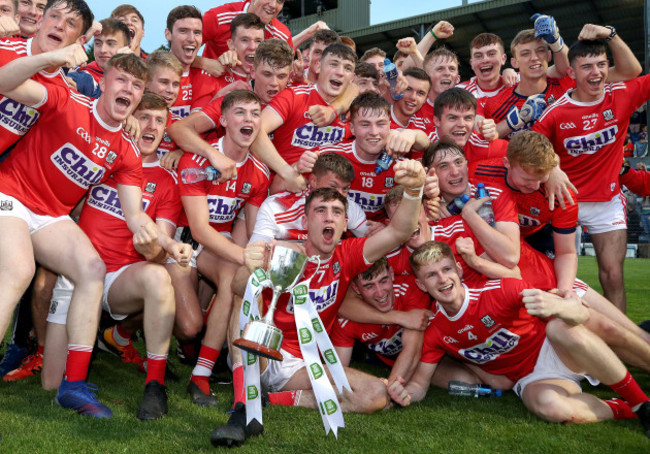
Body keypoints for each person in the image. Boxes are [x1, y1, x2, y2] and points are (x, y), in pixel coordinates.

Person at [211, 159, 426, 447]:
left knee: (375, 395)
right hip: (258, 353)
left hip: (301, 367)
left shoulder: (349, 254)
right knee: (245, 299)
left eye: (337, 212)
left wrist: (414, 190)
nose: (329, 217)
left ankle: (270, 399)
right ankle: (241, 409)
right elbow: (237, 289)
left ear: (345, 223)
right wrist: (250, 267)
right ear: (306, 219)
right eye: (320, 211)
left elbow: (399, 232)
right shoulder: (286, 253)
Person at [0, 41, 156, 417]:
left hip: (50, 215)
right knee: (18, 271)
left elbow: (135, 215)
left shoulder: (128, 150)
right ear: (103, 82)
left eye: (137, 86)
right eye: (121, 80)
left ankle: (72, 385)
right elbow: (5, 82)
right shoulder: (68, 101)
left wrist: (154, 235)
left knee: (91, 269)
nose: (128, 90)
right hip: (10, 193)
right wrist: (51, 59)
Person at [388, 241, 650, 438]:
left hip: (557, 347)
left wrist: (562, 307)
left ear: (459, 269)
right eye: (431, 275)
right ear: (421, 285)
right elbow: (420, 384)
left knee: (566, 327)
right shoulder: (436, 331)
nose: (442, 279)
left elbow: (578, 312)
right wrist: (404, 393)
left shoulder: (501, 290)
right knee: (550, 407)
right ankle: (623, 408)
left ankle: (642, 404)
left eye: (446, 269)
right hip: (532, 377)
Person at [43, 92, 191, 420]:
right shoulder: (107, 154)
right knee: (51, 384)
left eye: (160, 120)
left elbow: (157, 248)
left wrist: (150, 245)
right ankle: (77, 351)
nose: (151, 126)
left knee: (157, 276)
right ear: (131, 119)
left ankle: (155, 386)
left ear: (166, 129)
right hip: (78, 270)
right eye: (145, 117)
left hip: (118, 278)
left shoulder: (167, 182)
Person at [533, 36, 647, 313]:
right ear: (571, 73)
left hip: (606, 201)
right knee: (558, 278)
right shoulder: (556, 112)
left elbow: (635, 71)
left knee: (613, 275)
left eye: (601, 64)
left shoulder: (621, 94)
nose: (595, 72)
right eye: (586, 66)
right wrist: (553, 167)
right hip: (563, 199)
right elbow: (530, 147)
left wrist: (611, 35)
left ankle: (621, 340)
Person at [176, 90, 271, 406]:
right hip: (183, 239)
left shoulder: (258, 171)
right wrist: (244, 256)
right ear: (223, 120)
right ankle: (170, 348)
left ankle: (202, 375)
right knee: (189, 326)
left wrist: (256, 257)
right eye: (240, 112)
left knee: (236, 279)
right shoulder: (196, 159)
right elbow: (200, 230)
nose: (249, 119)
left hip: (220, 245)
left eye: (255, 113)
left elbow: (255, 227)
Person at [0, 0, 95, 151]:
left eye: (71, 23)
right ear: (40, 21)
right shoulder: (3, 46)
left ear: (80, 41)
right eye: (55, 16)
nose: (59, 26)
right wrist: (49, 58)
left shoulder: (64, 91)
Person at [332, 257, 432, 384]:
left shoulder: (411, 289)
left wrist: (391, 387)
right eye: (369, 286)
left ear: (391, 274)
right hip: (389, 361)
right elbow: (337, 371)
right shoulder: (347, 318)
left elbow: (412, 351)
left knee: (461, 378)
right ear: (356, 288)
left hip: (430, 356)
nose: (380, 293)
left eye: (383, 281)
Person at [249, 152, 368, 242]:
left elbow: (370, 241)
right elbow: (257, 250)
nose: (340, 195)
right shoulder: (277, 206)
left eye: (345, 189)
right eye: (333, 186)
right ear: (313, 181)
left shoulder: (349, 207)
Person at [67, 18, 131, 98]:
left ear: (126, 48)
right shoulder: (86, 77)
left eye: (110, 44)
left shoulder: (138, 82)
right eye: (97, 43)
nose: (102, 50)